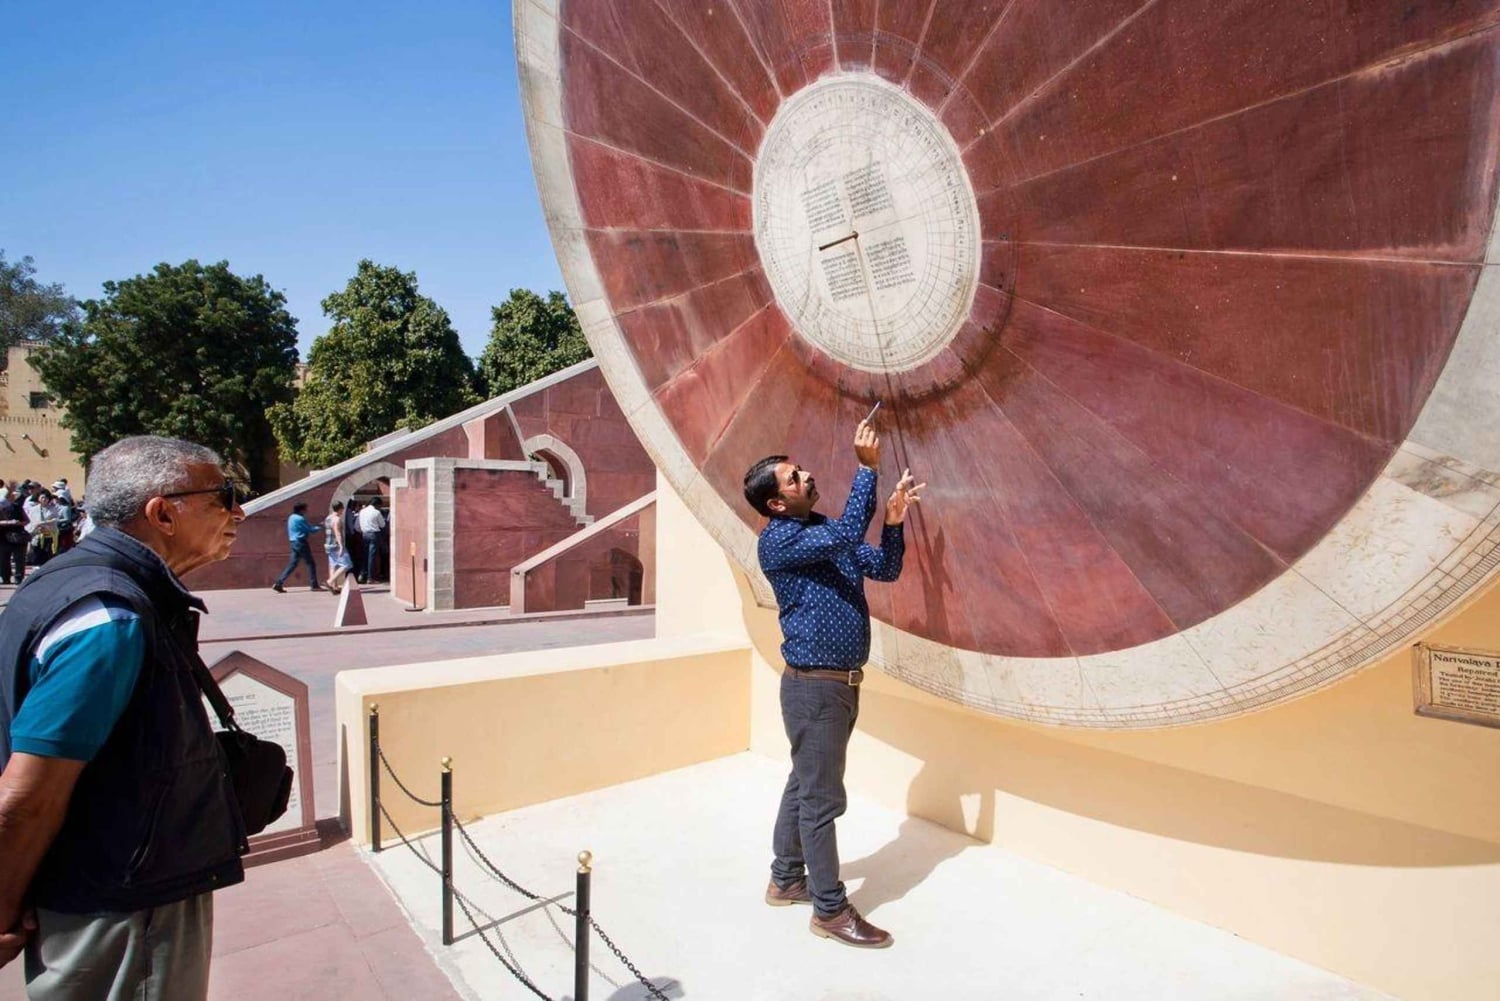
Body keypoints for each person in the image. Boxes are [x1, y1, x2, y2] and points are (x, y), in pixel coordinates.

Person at [0, 435, 248, 998]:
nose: (238, 512)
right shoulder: (109, 617)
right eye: (222, 496)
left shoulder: (68, 581)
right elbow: (27, 795)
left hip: (111, 884)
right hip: (125, 905)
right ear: (163, 512)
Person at [743, 419, 922, 950]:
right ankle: (828, 910)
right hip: (815, 689)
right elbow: (848, 534)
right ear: (776, 504)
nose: (807, 475)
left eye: (799, 471)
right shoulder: (781, 542)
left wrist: (890, 523)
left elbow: (884, 568)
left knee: (803, 784)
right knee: (822, 800)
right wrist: (867, 468)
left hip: (835, 687)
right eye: (794, 478)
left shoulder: (821, 534)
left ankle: (785, 878)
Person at [271, 501, 322, 593]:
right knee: (311, 563)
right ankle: (314, 585)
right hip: (301, 542)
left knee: (292, 564)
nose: (307, 511)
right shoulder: (300, 519)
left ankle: (279, 583)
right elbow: (310, 530)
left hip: (293, 542)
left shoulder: (291, 517)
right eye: (305, 509)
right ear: (301, 510)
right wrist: (320, 526)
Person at [323, 500, 352, 594]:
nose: (343, 510)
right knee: (347, 564)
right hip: (336, 545)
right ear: (340, 508)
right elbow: (337, 533)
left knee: (333, 565)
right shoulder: (337, 519)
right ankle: (329, 582)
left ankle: (334, 587)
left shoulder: (328, 518)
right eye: (342, 508)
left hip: (328, 544)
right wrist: (341, 546)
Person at [0, 489, 28, 585]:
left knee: (19, 559)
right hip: (3, 537)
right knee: (3, 559)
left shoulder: (18, 507)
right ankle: (5, 578)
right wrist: (8, 522)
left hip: (18, 536)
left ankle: (18, 578)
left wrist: (19, 523)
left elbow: (27, 520)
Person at [357, 497, 387, 585]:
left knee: (365, 555)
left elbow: (357, 526)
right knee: (372, 557)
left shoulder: (362, 511)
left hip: (364, 534)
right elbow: (382, 525)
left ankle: (362, 575)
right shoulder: (376, 512)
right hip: (374, 535)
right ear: (377, 504)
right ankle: (370, 578)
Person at [25, 489, 59, 567]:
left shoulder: (53, 508)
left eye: (46, 498)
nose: (44, 499)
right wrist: (34, 528)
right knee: (37, 552)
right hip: (38, 535)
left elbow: (55, 519)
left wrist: (44, 523)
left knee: (48, 553)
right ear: (38, 498)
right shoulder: (33, 509)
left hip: (50, 534)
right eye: (42, 497)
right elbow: (31, 521)